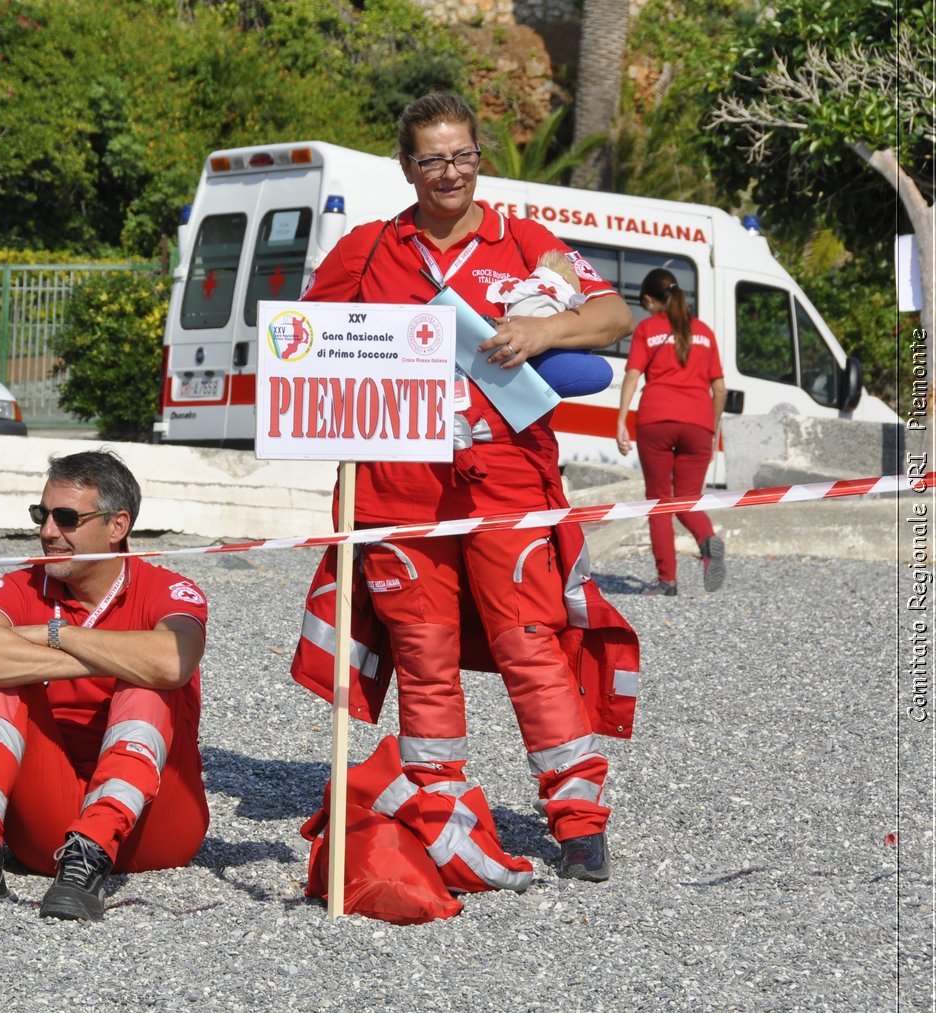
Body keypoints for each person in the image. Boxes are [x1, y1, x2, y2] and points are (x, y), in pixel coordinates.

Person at [296, 92, 636, 884]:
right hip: (395, 488)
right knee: (423, 653)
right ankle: (439, 809)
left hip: (508, 480)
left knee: (529, 642)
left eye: (464, 156)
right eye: (432, 159)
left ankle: (578, 816)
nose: (450, 172)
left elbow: (615, 315)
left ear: (481, 156)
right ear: (406, 166)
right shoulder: (369, 248)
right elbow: (301, 342)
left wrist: (545, 330)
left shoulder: (524, 242)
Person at [0, 450, 209, 921]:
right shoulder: (21, 585)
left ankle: (94, 847)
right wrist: (107, 657)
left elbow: (172, 661)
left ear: (117, 526)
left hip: (154, 827)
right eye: (41, 515)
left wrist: (59, 634)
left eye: (66, 518)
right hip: (50, 831)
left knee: (149, 684)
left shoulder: (167, 587)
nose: (48, 532)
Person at [616, 267, 728, 596]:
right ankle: (708, 541)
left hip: (657, 420)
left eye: (645, 303)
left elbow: (633, 375)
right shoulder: (705, 332)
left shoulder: (647, 329)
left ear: (651, 300)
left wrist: (621, 419)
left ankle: (667, 581)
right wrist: (713, 426)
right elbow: (719, 388)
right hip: (699, 422)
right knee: (687, 500)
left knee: (659, 502)